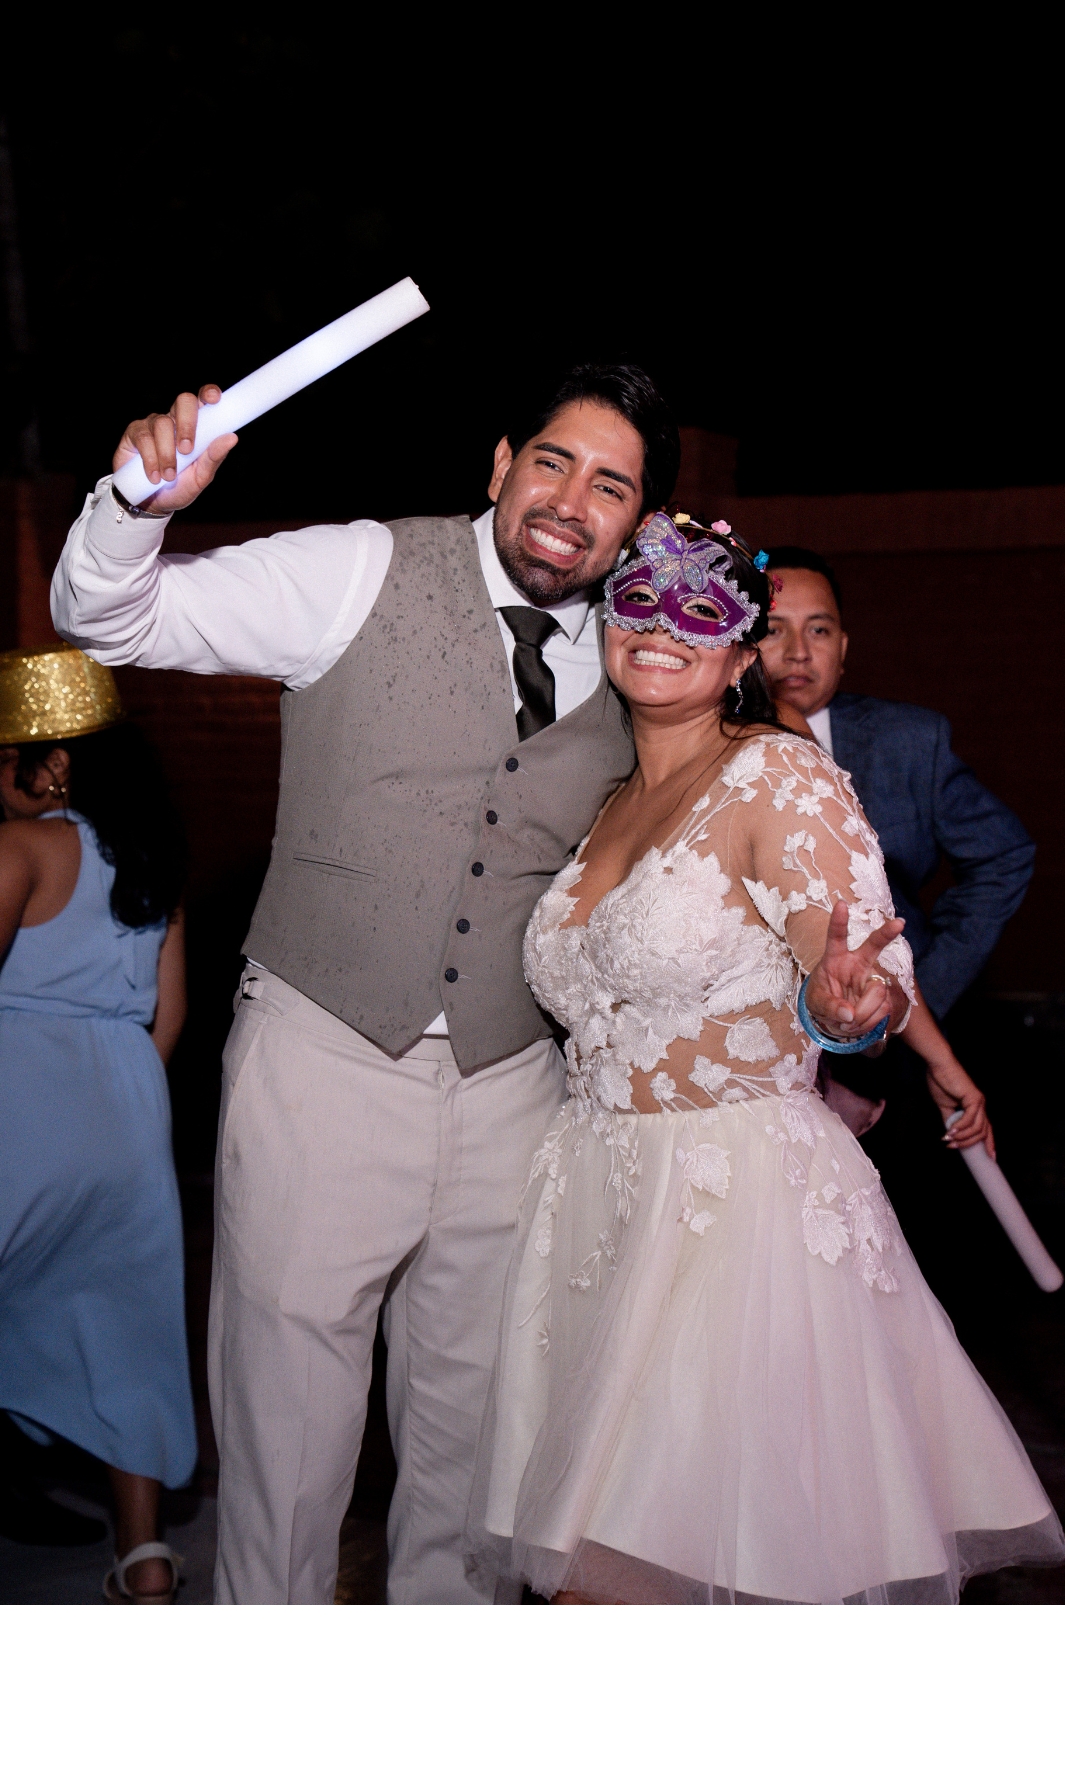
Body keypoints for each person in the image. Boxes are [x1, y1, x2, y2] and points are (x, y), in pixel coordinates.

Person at [50, 361, 680, 1605]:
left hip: (515, 1082)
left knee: (473, 1442)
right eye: (552, 462)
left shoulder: (638, 657)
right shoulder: (359, 568)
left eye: (610, 487)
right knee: (287, 1432)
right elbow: (111, 619)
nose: (571, 502)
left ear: (636, 523)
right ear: (500, 465)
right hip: (322, 1057)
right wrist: (133, 506)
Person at [465, 513, 1065, 1603]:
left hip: (731, 1218)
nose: (663, 628)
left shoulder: (778, 779)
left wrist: (847, 1009)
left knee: (676, 1572)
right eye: (639, 599)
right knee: (599, 1568)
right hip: (594, 1203)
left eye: (700, 608)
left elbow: (857, 975)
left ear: (742, 653)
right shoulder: (608, 803)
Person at [0, 642, 196, 1603]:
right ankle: (145, 1557)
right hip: (126, 1112)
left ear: (54, 764)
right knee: (126, 1330)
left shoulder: (20, 849)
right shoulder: (153, 864)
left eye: (5, 759)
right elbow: (170, 1020)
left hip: (22, 1096)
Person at [756, 547, 1034, 1020]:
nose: (798, 651)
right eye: (773, 629)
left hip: (887, 1025)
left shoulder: (909, 741)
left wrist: (924, 994)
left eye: (819, 630)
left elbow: (1004, 856)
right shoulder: (693, 740)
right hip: (750, 1027)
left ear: (843, 649)